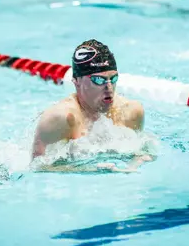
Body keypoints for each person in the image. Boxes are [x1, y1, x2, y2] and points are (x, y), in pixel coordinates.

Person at [30, 39, 153, 172]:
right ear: (76, 81)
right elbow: (38, 168)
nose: (109, 88)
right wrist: (88, 170)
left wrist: (135, 164)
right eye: (98, 80)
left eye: (113, 79)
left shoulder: (131, 111)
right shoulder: (60, 118)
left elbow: (141, 150)